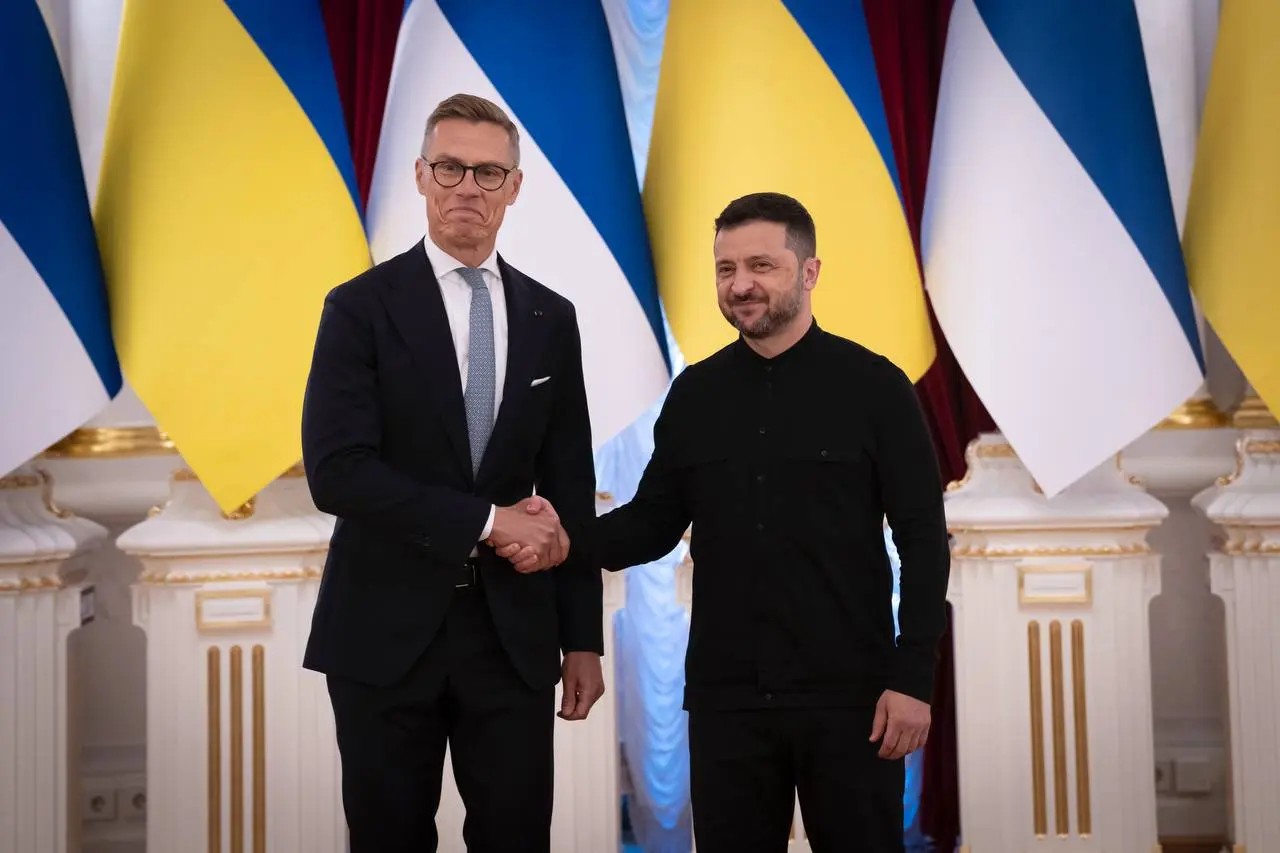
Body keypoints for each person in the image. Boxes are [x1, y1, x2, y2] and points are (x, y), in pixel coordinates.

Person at [499, 191, 951, 852]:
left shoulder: (876, 387)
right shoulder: (695, 394)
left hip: (852, 698)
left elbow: (923, 541)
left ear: (810, 271)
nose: (741, 284)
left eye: (762, 265)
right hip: (726, 701)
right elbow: (651, 525)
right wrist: (558, 538)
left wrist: (912, 679)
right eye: (726, 269)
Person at [300, 93, 606, 853]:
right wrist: (489, 521)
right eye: (449, 168)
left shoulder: (552, 317)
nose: (468, 186)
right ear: (420, 175)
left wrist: (583, 638)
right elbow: (337, 473)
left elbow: (569, 486)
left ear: (514, 187)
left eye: (488, 172)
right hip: (381, 632)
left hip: (513, 638)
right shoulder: (358, 308)